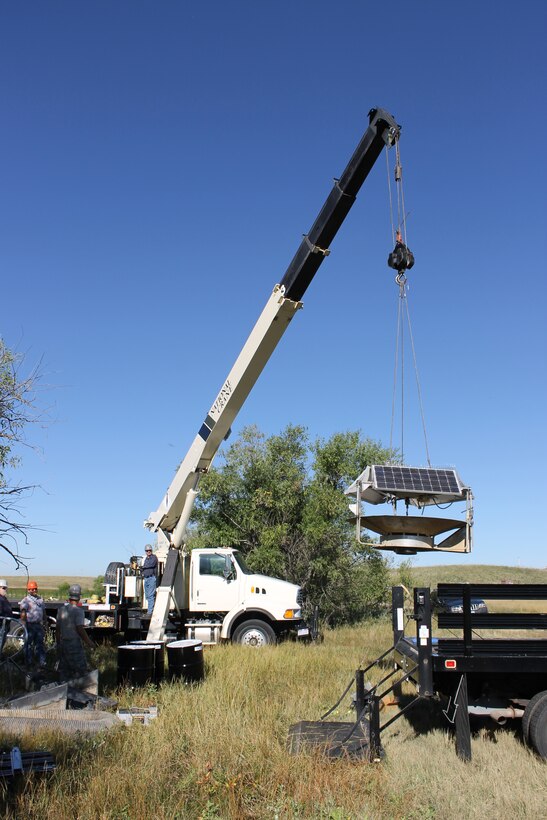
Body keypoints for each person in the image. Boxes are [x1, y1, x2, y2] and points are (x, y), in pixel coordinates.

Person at [56, 584, 95, 681]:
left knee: (64, 670)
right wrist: (89, 642)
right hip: (74, 644)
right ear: (79, 597)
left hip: (63, 643)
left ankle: (63, 690)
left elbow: (57, 629)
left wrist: (58, 643)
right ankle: (81, 690)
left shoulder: (61, 610)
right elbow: (80, 629)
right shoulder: (79, 611)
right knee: (80, 669)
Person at [19, 580, 47, 668]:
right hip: (29, 625)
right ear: (28, 590)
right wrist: (23, 625)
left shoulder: (40, 600)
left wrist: (45, 622)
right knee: (28, 645)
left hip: (38, 625)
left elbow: (43, 611)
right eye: (31, 589)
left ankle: (42, 662)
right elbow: (23, 613)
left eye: (35, 589)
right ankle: (28, 662)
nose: (33, 591)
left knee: (40, 644)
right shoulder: (25, 600)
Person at [141, 544, 158, 615]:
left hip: (151, 578)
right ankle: (151, 609)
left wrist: (143, 567)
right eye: (147, 550)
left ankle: (150, 612)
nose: (148, 552)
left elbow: (151, 564)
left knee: (150, 595)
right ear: (145, 551)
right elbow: (144, 567)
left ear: (151, 550)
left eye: (149, 550)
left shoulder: (154, 558)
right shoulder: (146, 559)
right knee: (147, 595)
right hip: (146, 578)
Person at [0, 580, 12, 653]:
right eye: (3, 588)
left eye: (5, 588)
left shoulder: (4, 598)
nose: (5, 590)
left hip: (5, 626)